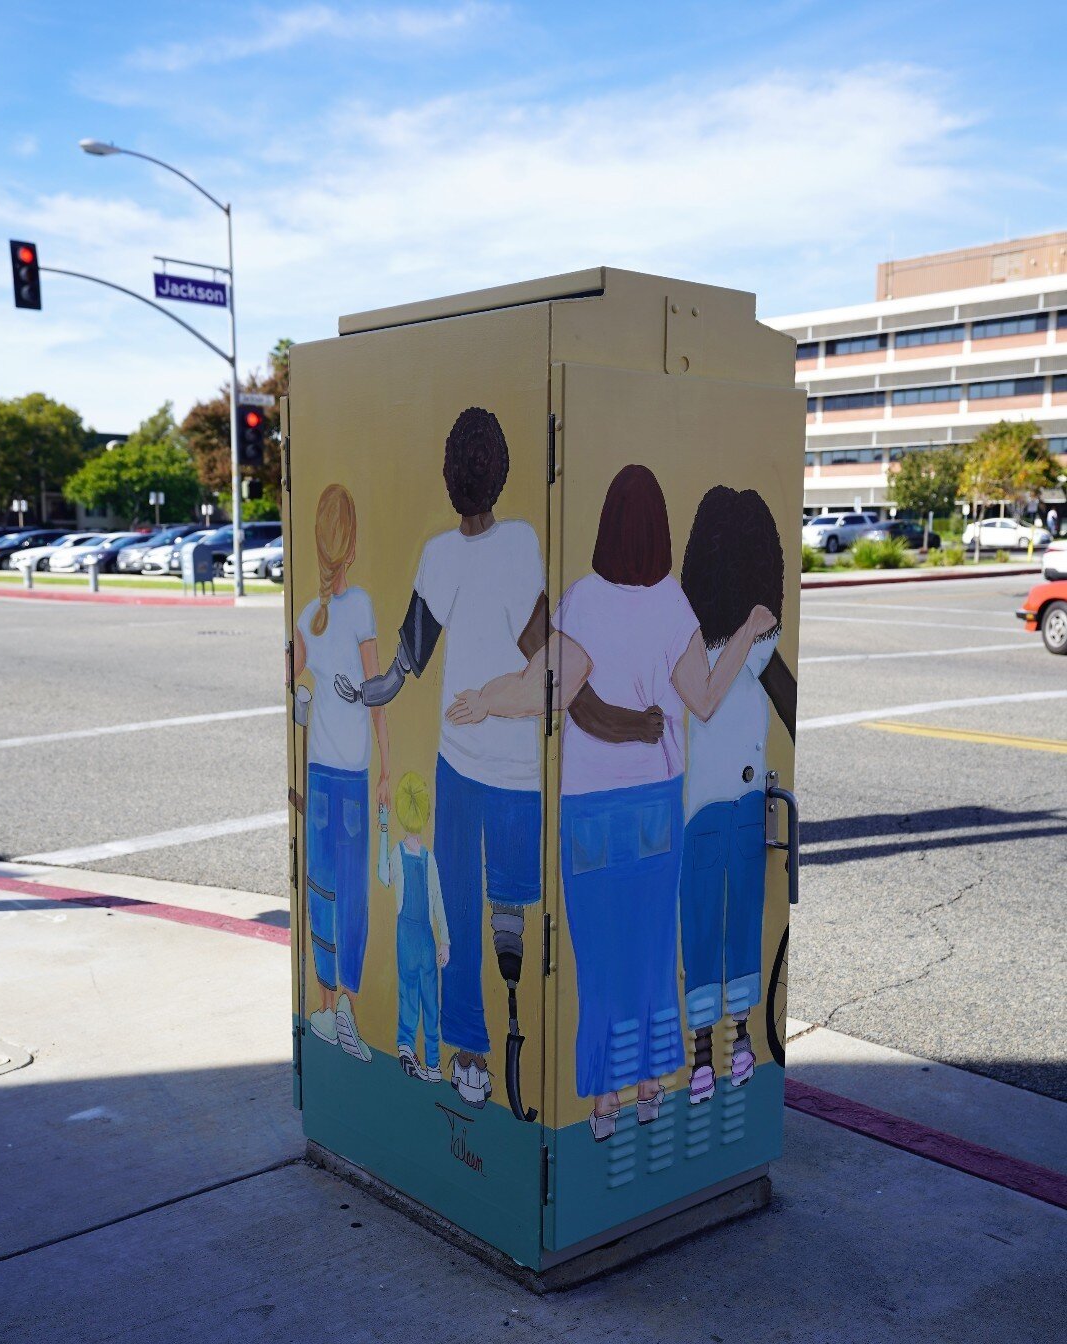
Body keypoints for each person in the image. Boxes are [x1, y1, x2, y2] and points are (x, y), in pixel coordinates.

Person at [336, 409, 657, 1112]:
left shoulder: (443, 554)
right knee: (504, 914)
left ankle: (473, 1056)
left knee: (455, 909)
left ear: (452, 474)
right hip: (511, 772)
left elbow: (404, 665)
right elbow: (548, 658)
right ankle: (508, 1034)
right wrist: (617, 720)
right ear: (502, 469)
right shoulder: (518, 544)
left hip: (464, 761)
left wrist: (361, 692)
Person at [447, 465, 775, 1141]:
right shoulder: (672, 607)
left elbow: (542, 688)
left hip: (590, 813)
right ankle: (653, 1085)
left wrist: (484, 701)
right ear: (658, 533)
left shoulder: (585, 601)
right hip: (656, 809)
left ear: (606, 528)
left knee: (598, 962)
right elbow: (706, 700)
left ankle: (604, 1107)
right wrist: (747, 630)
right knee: (652, 957)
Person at [678, 486, 793, 1103]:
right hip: (737, 809)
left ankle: (713, 1053)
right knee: (736, 926)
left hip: (705, 810)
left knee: (707, 929)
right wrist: (752, 627)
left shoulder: (691, 638)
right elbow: (715, 695)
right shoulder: (734, 646)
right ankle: (738, 1043)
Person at [293, 483, 391, 1061]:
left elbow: (295, 680)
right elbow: (377, 692)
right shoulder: (360, 608)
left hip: (321, 779)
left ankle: (327, 1011)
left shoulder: (309, 617)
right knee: (350, 894)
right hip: (352, 778)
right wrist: (387, 765)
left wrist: (305, 693)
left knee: (322, 888)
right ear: (350, 548)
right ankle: (345, 1014)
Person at [378, 772, 450, 1084]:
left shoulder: (396, 852)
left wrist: (383, 828)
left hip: (404, 934)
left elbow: (384, 877)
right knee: (430, 998)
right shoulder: (429, 858)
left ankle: (406, 1044)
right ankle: (433, 1063)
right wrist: (444, 940)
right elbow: (437, 901)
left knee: (408, 991)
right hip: (424, 934)